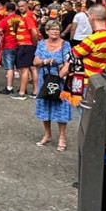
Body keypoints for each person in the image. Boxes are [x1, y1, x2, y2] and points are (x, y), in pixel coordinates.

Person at [33, 20, 74, 149]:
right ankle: (47, 134)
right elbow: (36, 61)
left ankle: (62, 137)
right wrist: (46, 61)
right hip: (44, 78)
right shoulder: (41, 43)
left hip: (60, 80)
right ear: (47, 31)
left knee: (61, 107)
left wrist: (58, 77)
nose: (55, 31)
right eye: (52, 29)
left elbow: (69, 63)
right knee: (45, 104)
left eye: (57, 29)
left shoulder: (65, 45)